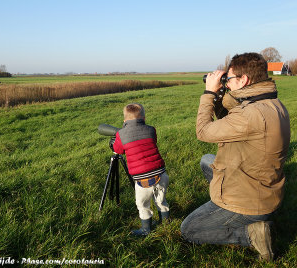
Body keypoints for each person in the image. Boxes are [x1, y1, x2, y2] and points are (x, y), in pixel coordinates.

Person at [180, 52, 290, 261]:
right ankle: (234, 211)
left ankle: (252, 234)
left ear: (244, 80)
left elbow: (203, 131)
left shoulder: (251, 114)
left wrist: (208, 93)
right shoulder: (270, 104)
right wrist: (222, 93)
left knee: (189, 229)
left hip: (250, 200)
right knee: (207, 160)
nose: (227, 84)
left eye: (229, 80)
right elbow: (229, 120)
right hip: (262, 185)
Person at [110, 103, 169, 236]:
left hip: (143, 179)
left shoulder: (121, 134)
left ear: (124, 120)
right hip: (161, 173)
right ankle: (165, 224)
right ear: (143, 117)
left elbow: (118, 150)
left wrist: (114, 142)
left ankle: (145, 229)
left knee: (142, 205)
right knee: (161, 200)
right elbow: (152, 141)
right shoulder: (151, 129)